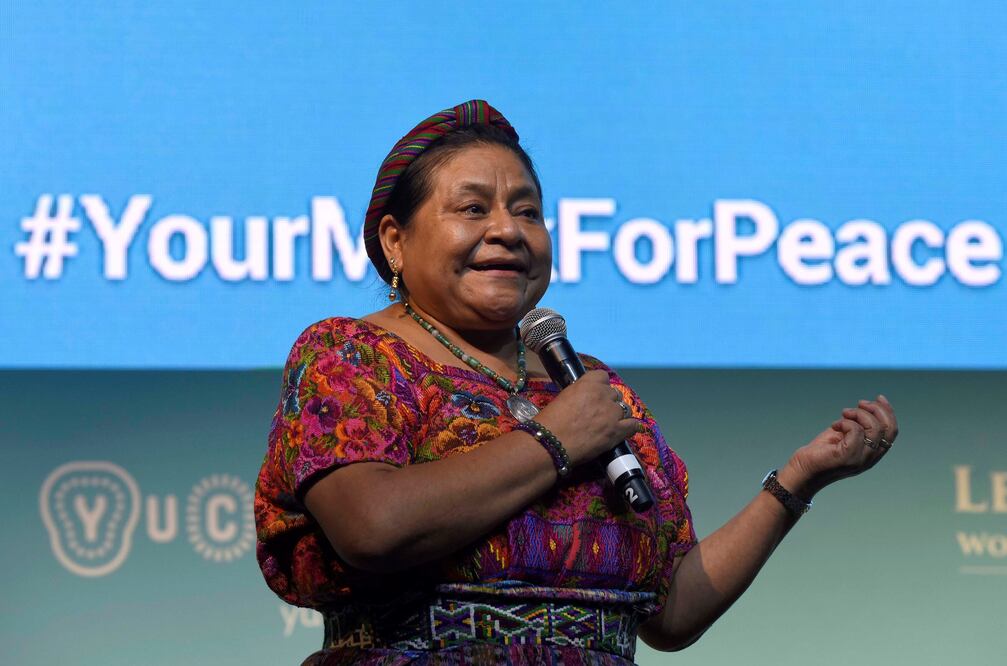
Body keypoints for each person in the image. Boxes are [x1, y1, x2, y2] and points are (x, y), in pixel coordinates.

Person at [254, 100, 899, 665]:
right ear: (394, 240)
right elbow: (372, 526)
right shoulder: (355, 355)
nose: (507, 230)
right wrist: (553, 441)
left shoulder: (585, 384)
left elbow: (669, 613)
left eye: (528, 212)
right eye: (473, 208)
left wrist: (798, 479)